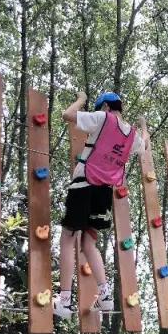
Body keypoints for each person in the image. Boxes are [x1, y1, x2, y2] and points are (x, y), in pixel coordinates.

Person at [53, 91, 148, 318]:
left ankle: (64, 301)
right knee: (88, 244)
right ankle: (104, 297)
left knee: (67, 238)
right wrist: (143, 125)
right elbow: (144, 146)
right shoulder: (130, 134)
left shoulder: (103, 118)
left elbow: (68, 115)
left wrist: (80, 100)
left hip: (84, 185)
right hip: (104, 193)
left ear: (105, 106)